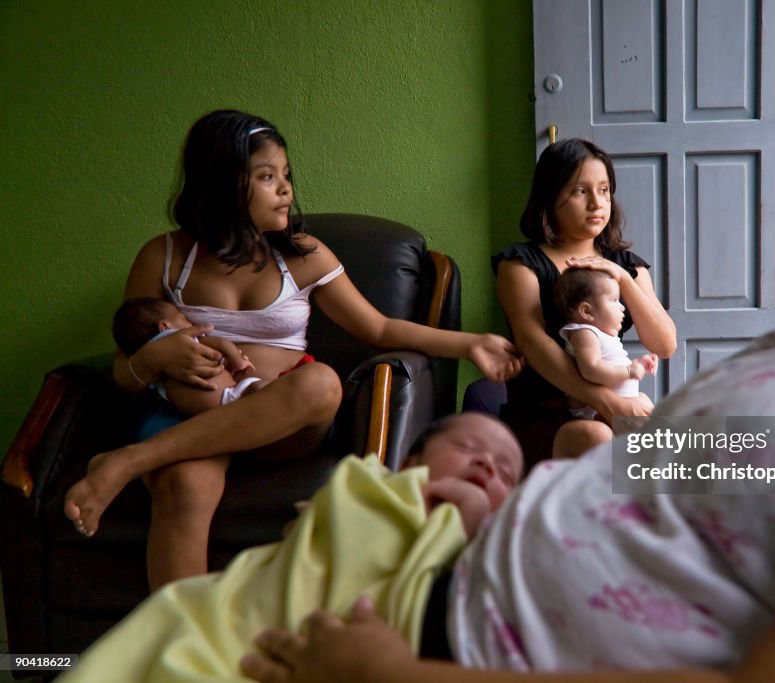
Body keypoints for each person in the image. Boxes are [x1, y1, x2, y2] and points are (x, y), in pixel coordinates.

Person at [239, 1, 775, 681]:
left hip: (441, 642)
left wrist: (390, 677)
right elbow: (725, 470)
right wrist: (488, 507)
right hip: (445, 561)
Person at [62, 109, 523, 591]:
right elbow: (122, 369)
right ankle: (185, 653)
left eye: (286, 175)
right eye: (266, 177)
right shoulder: (165, 257)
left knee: (322, 384)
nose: (285, 189)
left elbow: (381, 328)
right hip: (187, 420)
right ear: (221, 184)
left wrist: (472, 344)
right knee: (183, 484)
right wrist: (150, 360)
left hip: (277, 426)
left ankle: (130, 460)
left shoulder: (303, 255)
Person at [56, 412, 523, 682]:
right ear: (408, 462)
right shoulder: (369, 489)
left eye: (506, 473)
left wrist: (470, 520)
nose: (486, 463)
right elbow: (333, 533)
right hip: (256, 624)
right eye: (467, 446)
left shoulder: (501, 553)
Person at [493, 138, 676, 467]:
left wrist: (621, 278)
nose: (596, 203)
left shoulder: (627, 264)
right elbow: (532, 343)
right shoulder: (521, 264)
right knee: (598, 438)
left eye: (604, 190)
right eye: (581, 191)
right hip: (547, 412)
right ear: (550, 196)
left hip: (616, 404)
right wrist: (604, 401)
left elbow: (664, 344)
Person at [113, 296, 271, 414]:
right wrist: (238, 361)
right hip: (230, 396)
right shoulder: (182, 341)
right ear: (164, 327)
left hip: (195, 417)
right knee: (260, 388)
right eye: (183, 318)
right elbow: (223, 344)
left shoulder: (153, 363)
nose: (190, 322)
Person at [553, 267, 658, 426]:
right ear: (587, 311)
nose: (622, 307)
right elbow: (591, 370)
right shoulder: (585, 333)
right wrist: (629, 372)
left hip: (621, 403)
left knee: (648, 405)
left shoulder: (602, 334)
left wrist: (639, 364)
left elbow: (612, 361)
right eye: (615, 300)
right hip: (596, 411)